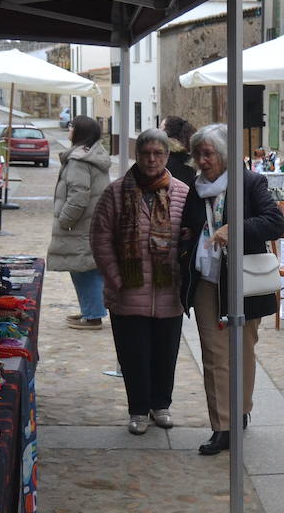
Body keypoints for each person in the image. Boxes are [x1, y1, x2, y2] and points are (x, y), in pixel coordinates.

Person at [179, 124, 284, 455]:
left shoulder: (249, 183)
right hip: (207, 280)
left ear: (224, 155)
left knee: (243, 348)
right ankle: (221, 426)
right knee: (214, 355)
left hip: (242, 280)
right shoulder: (195, 188)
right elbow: (189, 226)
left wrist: (235, 228)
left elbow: (274, 222)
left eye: (207, 153)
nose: (201, 160)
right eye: (197, 154)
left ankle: (240, 409)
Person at [90, 129, 190, 434]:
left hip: (168, 291)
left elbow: (193, 237)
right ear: (137, 155)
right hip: (128, 291)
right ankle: (137, 410)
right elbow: (100, 238)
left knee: (165, 351)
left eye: (158, 154)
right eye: (146, 153)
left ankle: (161, 405)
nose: (151, 159)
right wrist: (117, 279)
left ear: (167, 156)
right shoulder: (116, 192)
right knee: (134, 355)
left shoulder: (183, 193)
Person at [48, 116, 112, 330]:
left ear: (80, 132)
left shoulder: (79, 160)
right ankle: (90, 309)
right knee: (87, 267)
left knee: (83, 269)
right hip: (92, 223)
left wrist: (65, 220)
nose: (69, 129)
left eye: (72, 126)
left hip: (81, 225)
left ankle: (93, 315)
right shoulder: (92, 155)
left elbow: (78, 195)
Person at [161, 115, 196, 186]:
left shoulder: (164, 158)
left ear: (167, 133)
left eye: (160, 128)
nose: (158, 131)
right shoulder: (189, 159)